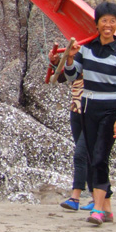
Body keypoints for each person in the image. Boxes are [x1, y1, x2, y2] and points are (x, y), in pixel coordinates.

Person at [64, 1, 116, 226]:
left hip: (111, 111)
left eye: (113, 21)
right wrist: (70, 58)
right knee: (94, 157)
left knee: (101, 158)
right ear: (97, 24)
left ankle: (97, 209)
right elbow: (72, 76)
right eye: (104, 20)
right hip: (89, 108)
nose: (108, 25)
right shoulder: (87, 48)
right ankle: (107, 209)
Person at [47, 51, 93, 212]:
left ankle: (75, 197)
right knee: (88, 156)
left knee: (80, 154)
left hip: (94, 112)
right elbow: (61, 77)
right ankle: (98, 195)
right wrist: (56, 62)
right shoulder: (79, 54)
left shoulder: (99, 55)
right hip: (76, 109)